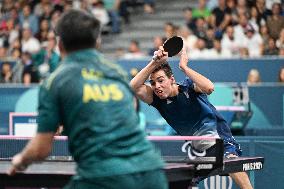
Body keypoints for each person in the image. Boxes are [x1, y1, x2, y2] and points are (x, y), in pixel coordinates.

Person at [7, 9, 167, 189]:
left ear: (60, 45)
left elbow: (41, 149)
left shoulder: (55, 81)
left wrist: (20, 160)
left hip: (102, 178)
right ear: (97, 43)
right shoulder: (116, 72)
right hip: (152, 173)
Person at [130, 47, 254, 188]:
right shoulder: (157, 100)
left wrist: (184, 67)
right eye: (153, 83)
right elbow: (133, 87)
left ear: (172, 79)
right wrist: (154, 62)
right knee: (182, 181)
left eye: (160, 80)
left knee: (231, 161)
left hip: (220, 141)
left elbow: (209, 87)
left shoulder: (188, 87)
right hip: (199, 151)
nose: (157, 86)